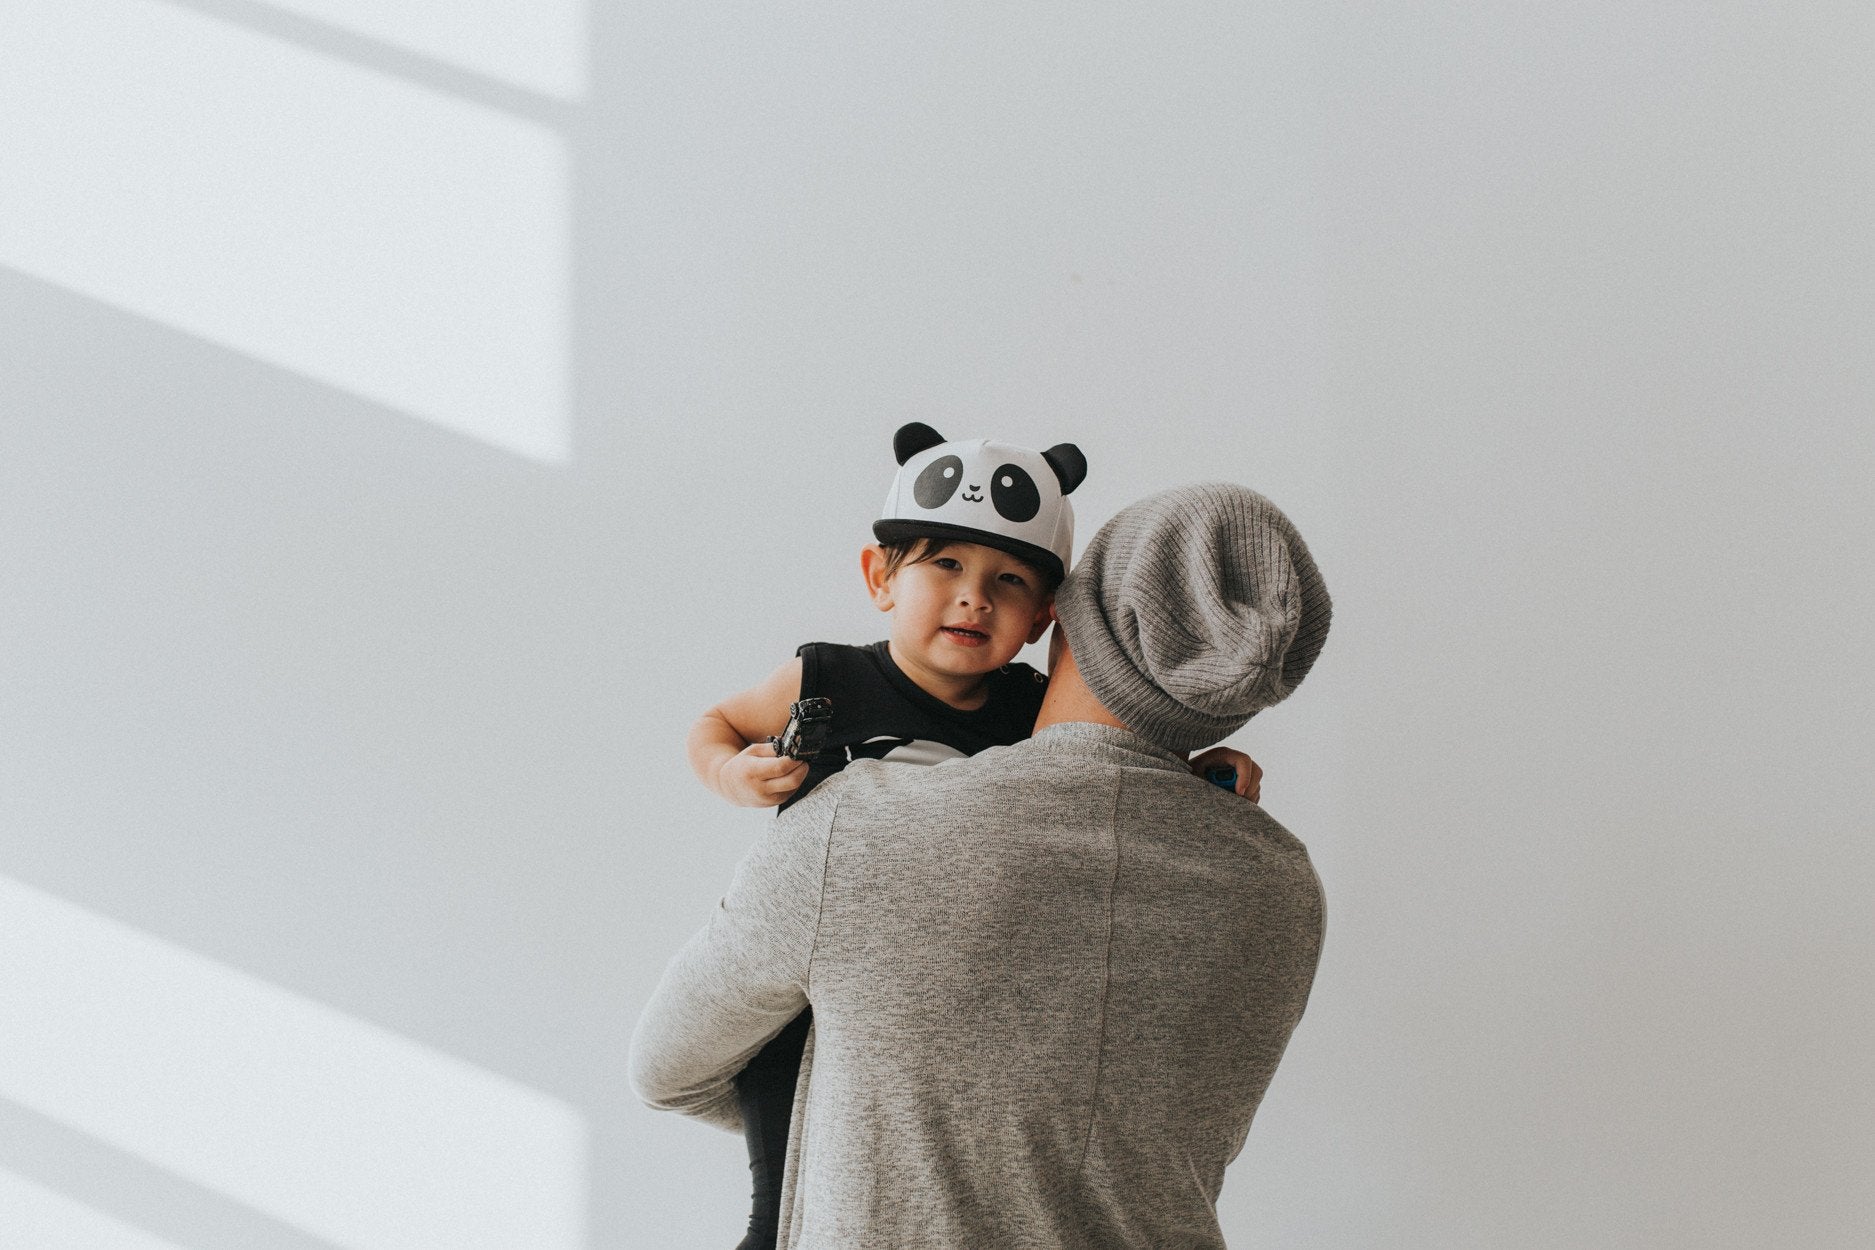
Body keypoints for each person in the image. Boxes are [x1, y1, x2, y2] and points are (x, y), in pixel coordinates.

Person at [633, 479, 1331, 1249]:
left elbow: (670, 1070)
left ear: (1059, 618)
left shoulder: (859, 827)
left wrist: (877, 1126)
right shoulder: (1279, 884)